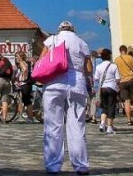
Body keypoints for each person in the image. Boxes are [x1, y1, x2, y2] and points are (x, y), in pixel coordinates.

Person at [40, 21, 92, 175]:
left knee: (53, 126)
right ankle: (81, 166)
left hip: (53, 84)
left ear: (59, 29)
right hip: (76, 84)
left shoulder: (52, 40)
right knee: (77, 126)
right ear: (73, 30)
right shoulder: (82, 43)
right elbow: (88, 68)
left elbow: (42, 61)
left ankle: (52, 166)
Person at [113, 45, 133, 125]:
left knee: (127, 101)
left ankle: (129, 120)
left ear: (120, 51)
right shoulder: (130, 58)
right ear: (126, 50)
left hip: (122, 82)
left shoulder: (116, 60)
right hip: (131, 80)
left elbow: (115, 72)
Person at [92, 48, 119, 135]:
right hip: (112, 88)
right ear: (110, 56)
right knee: (111, 107)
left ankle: (102, 123)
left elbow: (95, 78)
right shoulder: (114, 66)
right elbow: (118, 79)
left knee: (104, 106)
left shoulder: (98, 66)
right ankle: (110, 127)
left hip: (102, 88)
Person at [15, 52, 37, 122]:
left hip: (25, 83)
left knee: (27, 102)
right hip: (27, 84)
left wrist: (22, 77)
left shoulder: (22, 62)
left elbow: (24, 69)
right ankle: (29, 117)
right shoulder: (26, 62)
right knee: (26, 101)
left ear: (20, 57)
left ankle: (30, 118)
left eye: (17, 56)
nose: (16, 58)